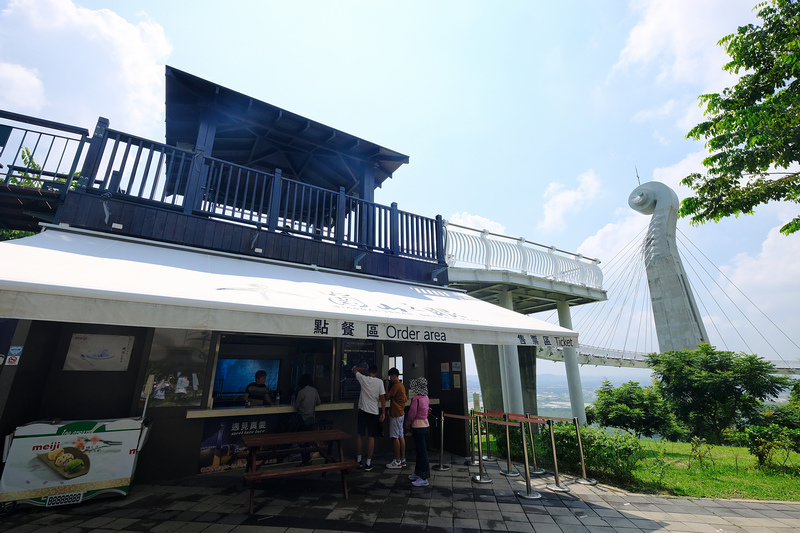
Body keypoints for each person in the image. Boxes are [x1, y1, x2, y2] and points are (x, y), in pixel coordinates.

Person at [352, 364, 385, 471]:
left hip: (363, 410)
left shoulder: (363, 379)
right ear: (376, 373)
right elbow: (383, 398)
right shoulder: (379, 382)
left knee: (360, 435)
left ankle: (359, 460)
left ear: (369, 371)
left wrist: (364, 369)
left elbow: (354, 369)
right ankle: (368, 463)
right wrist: (383, 412)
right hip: (374, 412)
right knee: (371, 437)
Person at [405, 377, 430, 486]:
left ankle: (423, 477)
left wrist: (408, 426)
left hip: (417, 427)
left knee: (421, 452)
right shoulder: (426, 398)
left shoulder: (416, 400)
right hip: (426, 425)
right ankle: (418, 473)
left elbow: (411, 415)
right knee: (421, 451)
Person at [292, 373, 321, 465]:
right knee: (308, 439)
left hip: (302, 419)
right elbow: (318, 402)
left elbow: (296, 406)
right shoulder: (314, 390)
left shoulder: (301, 392)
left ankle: (304, 460)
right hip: (311, 418)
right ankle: (308, 460)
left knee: (302, 441)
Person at [384, 368, 407, 469]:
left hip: (395, 414)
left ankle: (397, 461)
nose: (390, 378)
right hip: (401, 413)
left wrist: (387, 385)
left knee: (395, 437)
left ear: (394, 376)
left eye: (390, 377)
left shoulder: (396, 386)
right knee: (401, 436)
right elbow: (405, 399)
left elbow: (387, 397)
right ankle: (402, 459)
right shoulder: (402, 385)